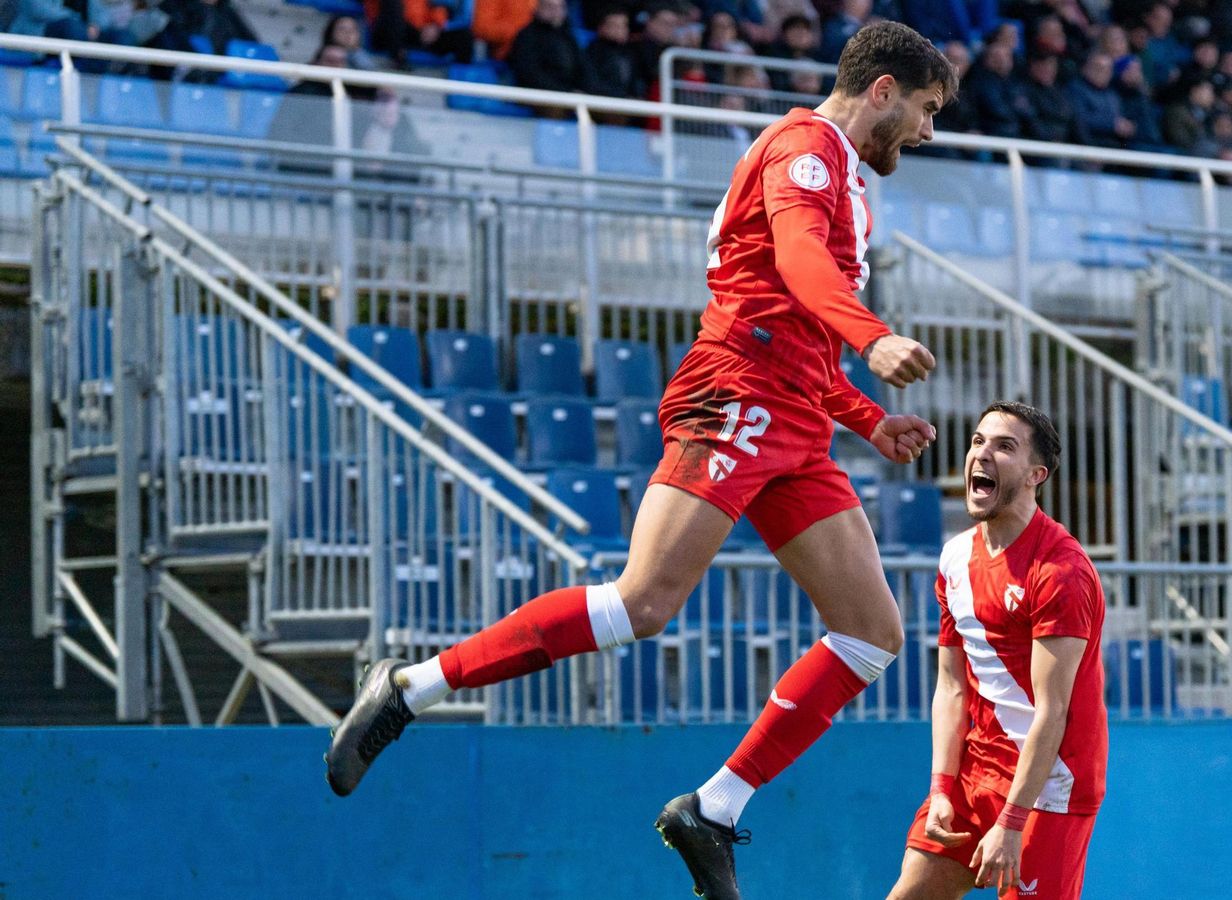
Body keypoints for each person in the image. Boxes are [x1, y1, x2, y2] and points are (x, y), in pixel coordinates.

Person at [323, 22, 956, 900]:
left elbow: (801, 322)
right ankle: (407, 685)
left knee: (872, 632)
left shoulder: (844, 173)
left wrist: (863, 416)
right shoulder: (805, 148)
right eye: (926, 110)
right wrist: (875, 336)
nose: (928, 133)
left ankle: (715, 808)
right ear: (882, 89)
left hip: (794, 413)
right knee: (644, 602)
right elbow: (803, 268)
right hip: (737, 393)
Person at [886, 401, 1106, 900]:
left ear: (1035, 475)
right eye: (978, 441)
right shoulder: (955, 556)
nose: (981, 455)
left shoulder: (1061, 571)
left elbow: (1054, 711)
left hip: (1050, 787)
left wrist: (1013, 820)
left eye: (1004, 447)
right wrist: (941, 787)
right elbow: (951, 685)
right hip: (973, 774)